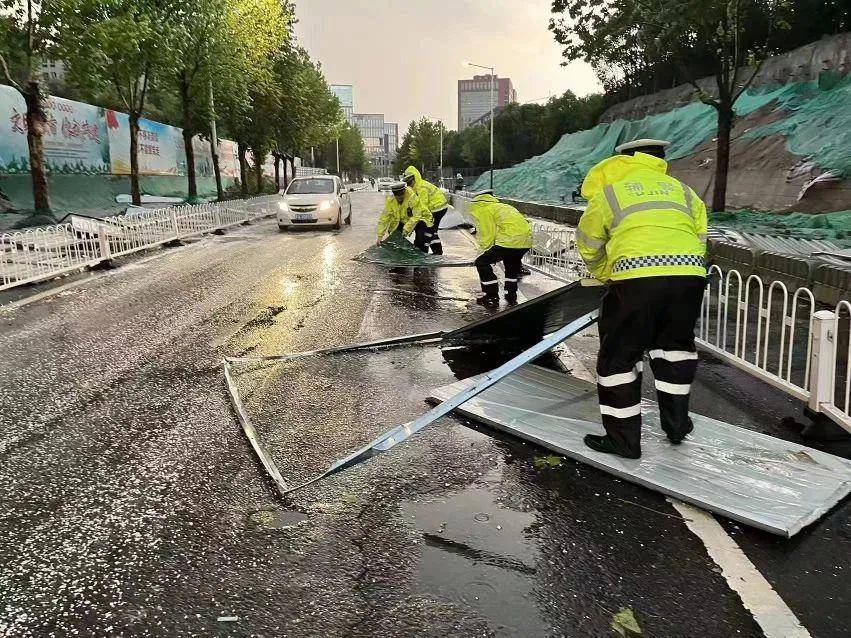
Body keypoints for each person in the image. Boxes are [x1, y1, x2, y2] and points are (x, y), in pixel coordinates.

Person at [576, 138, 708, 459]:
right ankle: (677, 425)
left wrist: (608, 271)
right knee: (675, 351)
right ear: (662, 161)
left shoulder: (612, 192)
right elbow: (700, 237)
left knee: (619, 357)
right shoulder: (684, 192)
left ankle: (624, 441)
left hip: (636, 279)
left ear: (621, 161)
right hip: (689, 278)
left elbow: (589, 241)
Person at [467, 190, 533, 307]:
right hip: (525, 242)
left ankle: (491, 296)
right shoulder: (503, 206)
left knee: (481, 262)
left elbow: (487, 235)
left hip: (509, 241)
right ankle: (511, 294)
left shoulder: (484, 210)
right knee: (511, 265)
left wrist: (483, 252)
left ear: (477, 204)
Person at [402, 166, 449, 255]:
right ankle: (437, 252)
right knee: (432, 231)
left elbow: (422, 209)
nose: (408, 184)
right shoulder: (415, 187)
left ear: (414, 178)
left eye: (409, 182)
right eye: (406, 182)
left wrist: (410, 226)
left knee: (427, 231)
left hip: (437, 209)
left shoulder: (421, 188)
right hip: (435, 208)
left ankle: (423, 251)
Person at [376, 181, 434, 252]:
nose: (399, 198)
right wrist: (380, 236)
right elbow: (384, 218)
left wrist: (406, 228)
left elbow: (417, 216)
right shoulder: (390, 200)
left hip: (422, 218)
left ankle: (421, 253)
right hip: (406, 220)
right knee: (396, 235)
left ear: (404, 191)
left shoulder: (412, 198)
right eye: (397, 196)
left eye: (401, 195)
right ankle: (400, 252)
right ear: (394, 194)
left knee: (421, 236)